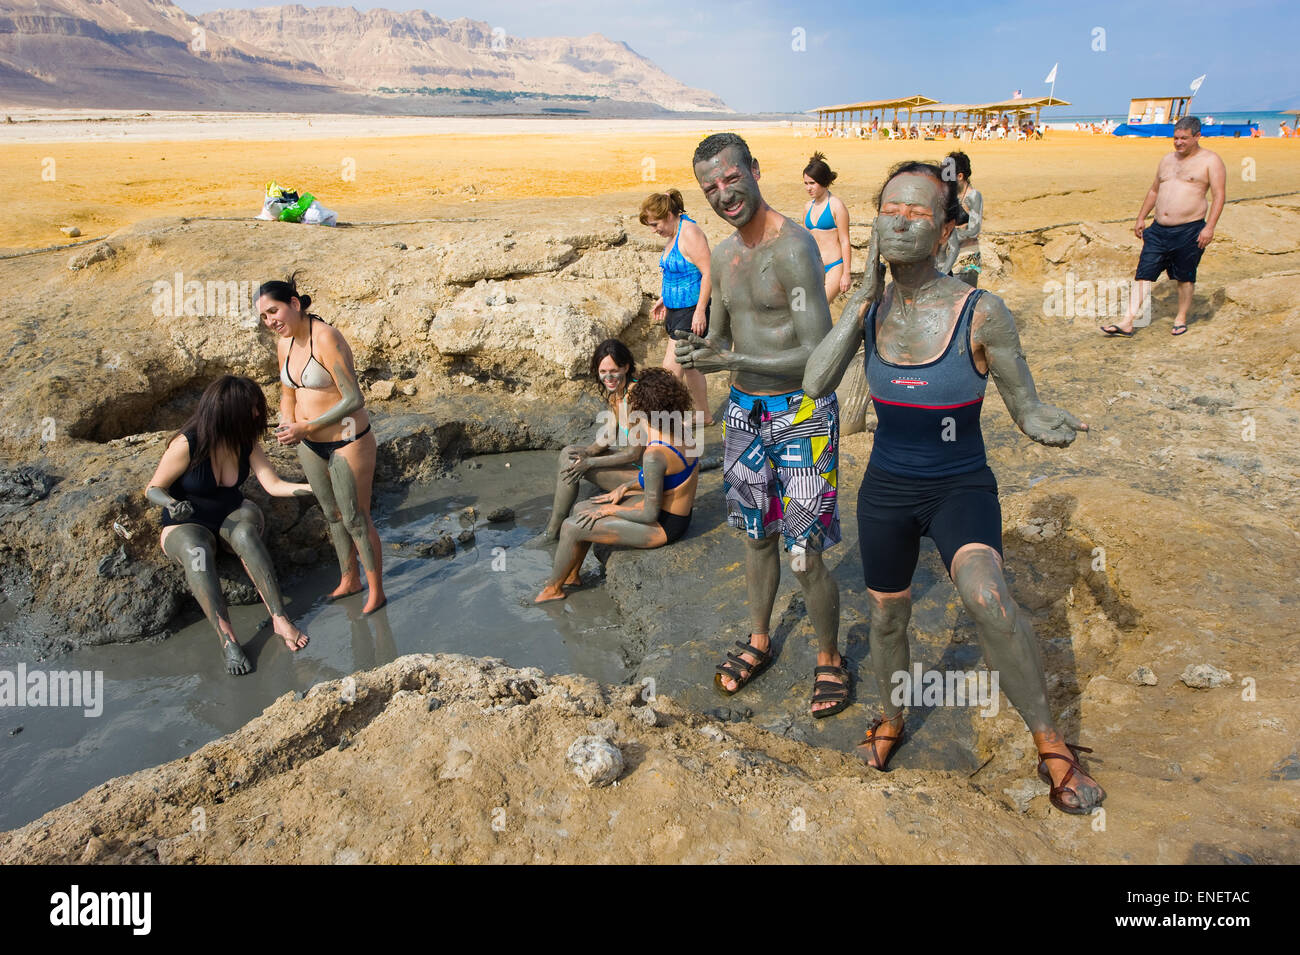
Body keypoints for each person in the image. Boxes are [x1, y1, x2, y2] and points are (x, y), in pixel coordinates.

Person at [804, 160, 1106, 815]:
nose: (900, 222)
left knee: (988, 598)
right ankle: (891, 718)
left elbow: (1025, 405)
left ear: (946, 231)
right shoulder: (869, 311)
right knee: (887, 615)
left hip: (958, 484)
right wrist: (859, 297)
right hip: (886, 490)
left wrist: (1040, 419)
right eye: (890, 210)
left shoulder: (981, 311)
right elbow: (814, 382)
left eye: (918, 213)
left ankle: (1052, 743)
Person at [675, 132, 849, 719]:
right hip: (745, 415)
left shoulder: (794, 250)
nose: (724, 194)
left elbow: (819, 355)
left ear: (753, 168)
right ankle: (759, 638)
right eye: (710, 187)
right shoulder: (723, 258)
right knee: (756, 536)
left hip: (800, 414)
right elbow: (721, 340)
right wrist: (698, 350)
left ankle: (829, 656)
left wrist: (732, 361)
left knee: (804, 549)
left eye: (732, 178)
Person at [146, 375, 313, 675]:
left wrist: (314, 491)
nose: (257, 414)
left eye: (257, 408)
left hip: (230, 515)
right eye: (251, 408)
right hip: (187, 523)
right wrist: (171, 503)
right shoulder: (188, 442)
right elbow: (153, 489)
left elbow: (273, 485)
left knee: (247, 535)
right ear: (228, 410)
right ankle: (228, 640)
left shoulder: (244, 441)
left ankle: (280, 619)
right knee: (196, 550)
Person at [257, 275, 386, 614]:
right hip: (308, 442)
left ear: (295, 304)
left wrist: (306, 426)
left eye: (275, 311)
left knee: (357, 518)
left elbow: (353, 398)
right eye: (264, 317)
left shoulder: (327, 338)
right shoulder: (283, 342)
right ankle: (349, 579)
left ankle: (376, 590)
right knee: (332, 515)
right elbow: (288, 391)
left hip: (348, 440)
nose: (271, 322)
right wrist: (288, 421)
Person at [536, 369, 699, 602]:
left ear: (643, 410)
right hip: (672, 510)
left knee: (573, 526)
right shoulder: (681, 431)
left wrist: (609, 510)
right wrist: (626, 486)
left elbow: (649, 514)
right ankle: (571, 575)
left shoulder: (655, 454)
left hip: (664, 526)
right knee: (583, 508)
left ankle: (552, 589)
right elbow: (674, 478)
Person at [1102, 116, 1226, 337]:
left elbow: (1219, 196)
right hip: (1159, 229)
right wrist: (1141, 217)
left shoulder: (1211, 161)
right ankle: (1127, 321)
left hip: (1189, 229)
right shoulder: (1167, 160)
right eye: (1175, 138)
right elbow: (1154, 190)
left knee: (1185, 277)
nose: (1178, 143)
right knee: (1143, 273)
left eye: (1184, 138)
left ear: (1197, 136)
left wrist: (1210, 227)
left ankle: (1180, 318)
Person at [540, 339, 645, 541]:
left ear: (626, 367)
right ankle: (554, 527)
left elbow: (634, 453)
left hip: (646, 477)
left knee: (574, 462)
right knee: (569, 453)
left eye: (613, 370)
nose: (608, 377)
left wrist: (590, 462)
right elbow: (608, 435)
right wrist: (586, 453)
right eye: (603, 372)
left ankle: (552, 531)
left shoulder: (635, 398)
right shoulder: (618, 393)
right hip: (636, 465)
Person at [641, 190, 712, 421]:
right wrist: (665, 298)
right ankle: (703, 415)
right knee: (690, 367)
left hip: (691, 312)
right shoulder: (673, 234)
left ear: (669, 214)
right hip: (675, 309)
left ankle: (665, 423)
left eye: (655, 224)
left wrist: (701, 310)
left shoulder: (690, 233)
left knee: (670, 370)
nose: (654, 230)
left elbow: (709, 272)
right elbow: (677, 271)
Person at [801, 152, 852, 305]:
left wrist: (846, 274)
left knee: (820, 306)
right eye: (806, 183)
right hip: (814, 266)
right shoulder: (807, 207)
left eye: (812, 183)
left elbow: (844, 241)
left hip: (834, 266)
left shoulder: (837, 206)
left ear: (823, 182)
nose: (808, 188)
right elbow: (806, 240)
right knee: (804, 308)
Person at [936, 150, 984, 287]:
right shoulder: (948, 195)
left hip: (966, 260)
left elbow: (974, 230)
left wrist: (950, 233)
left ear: (960, 176)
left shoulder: (973, 196)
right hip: (945, 259)